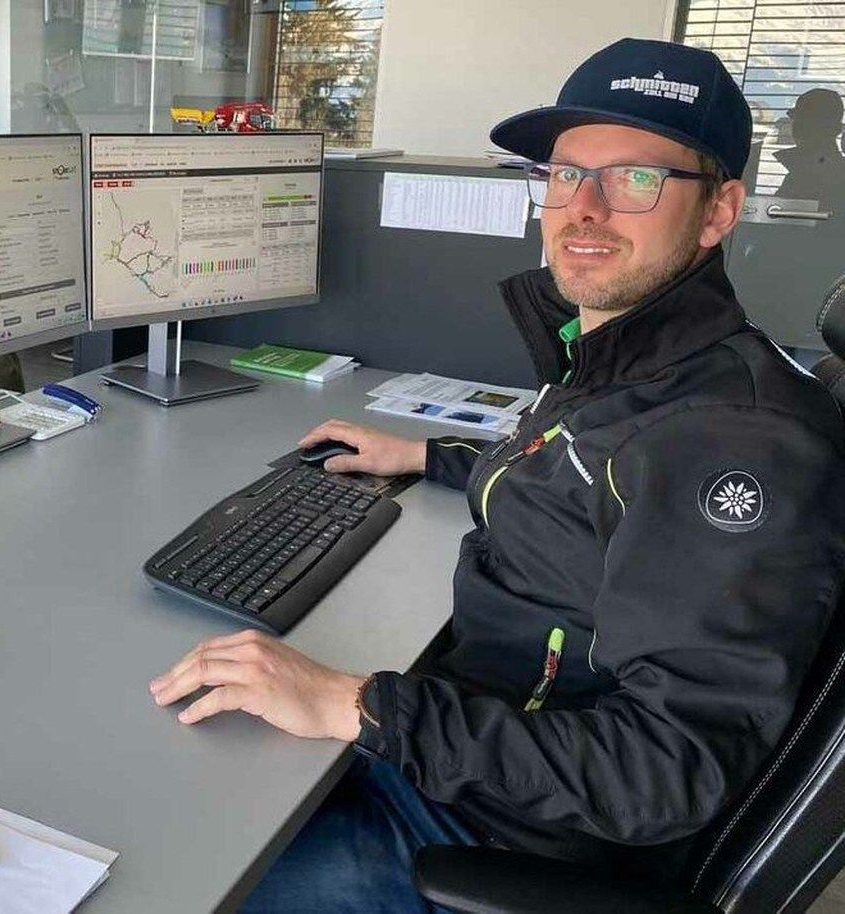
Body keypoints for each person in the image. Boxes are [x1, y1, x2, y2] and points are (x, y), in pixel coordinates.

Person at [149, 38, 845, 912]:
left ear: (717, 212)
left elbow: (667, 770)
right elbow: (586, 483)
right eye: (563, 175)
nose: (582, 209)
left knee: (165, 874)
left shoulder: (733, 442)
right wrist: (431, 456)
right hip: (474, 744)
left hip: (503, 833)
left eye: (635, 179)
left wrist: (358, 707)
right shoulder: (636, 360)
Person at [774, 87, 845, 213]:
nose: (795, 129)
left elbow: (775, 221)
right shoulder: (803, 171)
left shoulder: (807, 175)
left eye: (800, 123)